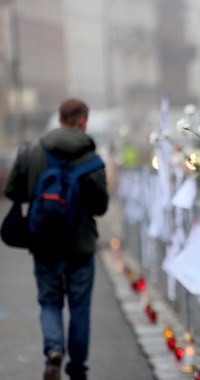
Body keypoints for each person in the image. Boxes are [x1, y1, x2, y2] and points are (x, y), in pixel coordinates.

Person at [4, 98, 109, 380]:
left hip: (44, 241)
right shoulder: (92, 159)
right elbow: (101, 206)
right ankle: (78, 369)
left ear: (59, 118)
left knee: (50, 302)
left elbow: (13, 191)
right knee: (79, 308)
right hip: (81, 244)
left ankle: (53, 349)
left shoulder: (30, 151)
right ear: (82, 121)